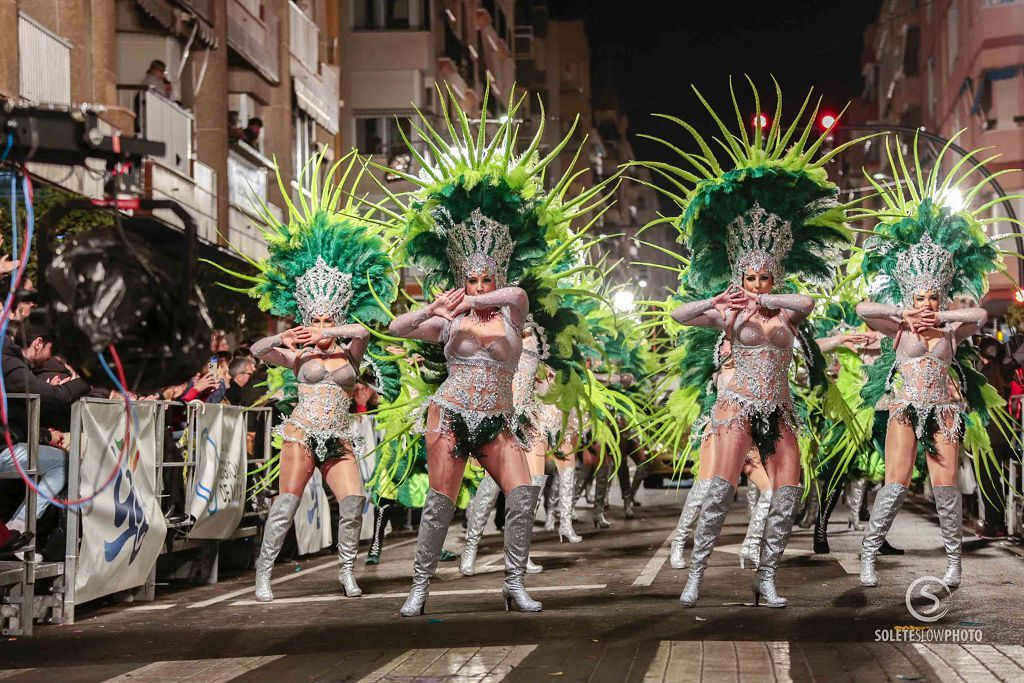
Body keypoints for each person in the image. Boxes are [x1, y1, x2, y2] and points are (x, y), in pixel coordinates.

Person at [381, 91, 618, 618]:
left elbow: (513, 296)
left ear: (500, 276)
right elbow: (395, 328)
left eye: (488, 276)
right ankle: (419, 588)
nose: (481, 285)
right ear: (460, 276)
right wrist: (431, 309)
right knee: (441, 505)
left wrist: (471, 297)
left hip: (497, 416)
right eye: (472, 277)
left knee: (523, 494)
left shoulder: (512, 310)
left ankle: (514, 584)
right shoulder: (451, 317)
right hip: (450, 413)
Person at [643, 82, 853, 608]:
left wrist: (767, 298)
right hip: (735, 406)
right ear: (740, 276)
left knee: (787, 492)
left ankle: (766, 577)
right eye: (752, 277)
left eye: (764, 277)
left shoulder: (785, 308)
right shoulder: (730, 312)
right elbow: (679, 313)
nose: (758, 286)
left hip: (780, 406)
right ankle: (696, 574)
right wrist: (722, 298)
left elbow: (805, 301)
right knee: (717, 492)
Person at [220, 152, 397, 602]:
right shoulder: (297, 357)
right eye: (313, 319)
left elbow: (364, 330)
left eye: (326, 318)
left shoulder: (350, 350)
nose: (318, 327)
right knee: (286, 505)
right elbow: (256, 352)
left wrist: (331, 330)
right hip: (301, 433)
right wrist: (283, 334)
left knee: (355, 503)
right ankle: (263, 574)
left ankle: (347, 572)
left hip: (338, 436)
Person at [855, 136, 1010, 590]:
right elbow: (865, 310)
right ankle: (868, 557)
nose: (926, 303)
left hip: (945, 407)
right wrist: (901, 313)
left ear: (941, 297)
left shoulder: (949, 328)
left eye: (932, 297)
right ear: (908, 296)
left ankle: (953, 565)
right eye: (919, 297)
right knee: (896, 482)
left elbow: (980, 314)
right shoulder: (899, 329)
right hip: (904, 405)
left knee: (945, 486)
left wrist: (941, 315)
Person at [0, 319, 91, 534]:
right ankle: (18, 530)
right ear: (38, 343)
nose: (52, 356)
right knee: (64, 463)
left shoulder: (14, 362)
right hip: (3, 449)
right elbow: (56, 397)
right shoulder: (10, 364)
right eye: (52, 348)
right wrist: (85, 381)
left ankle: (15, 531)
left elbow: (13, 416)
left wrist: (44, 436)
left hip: (8, 443)